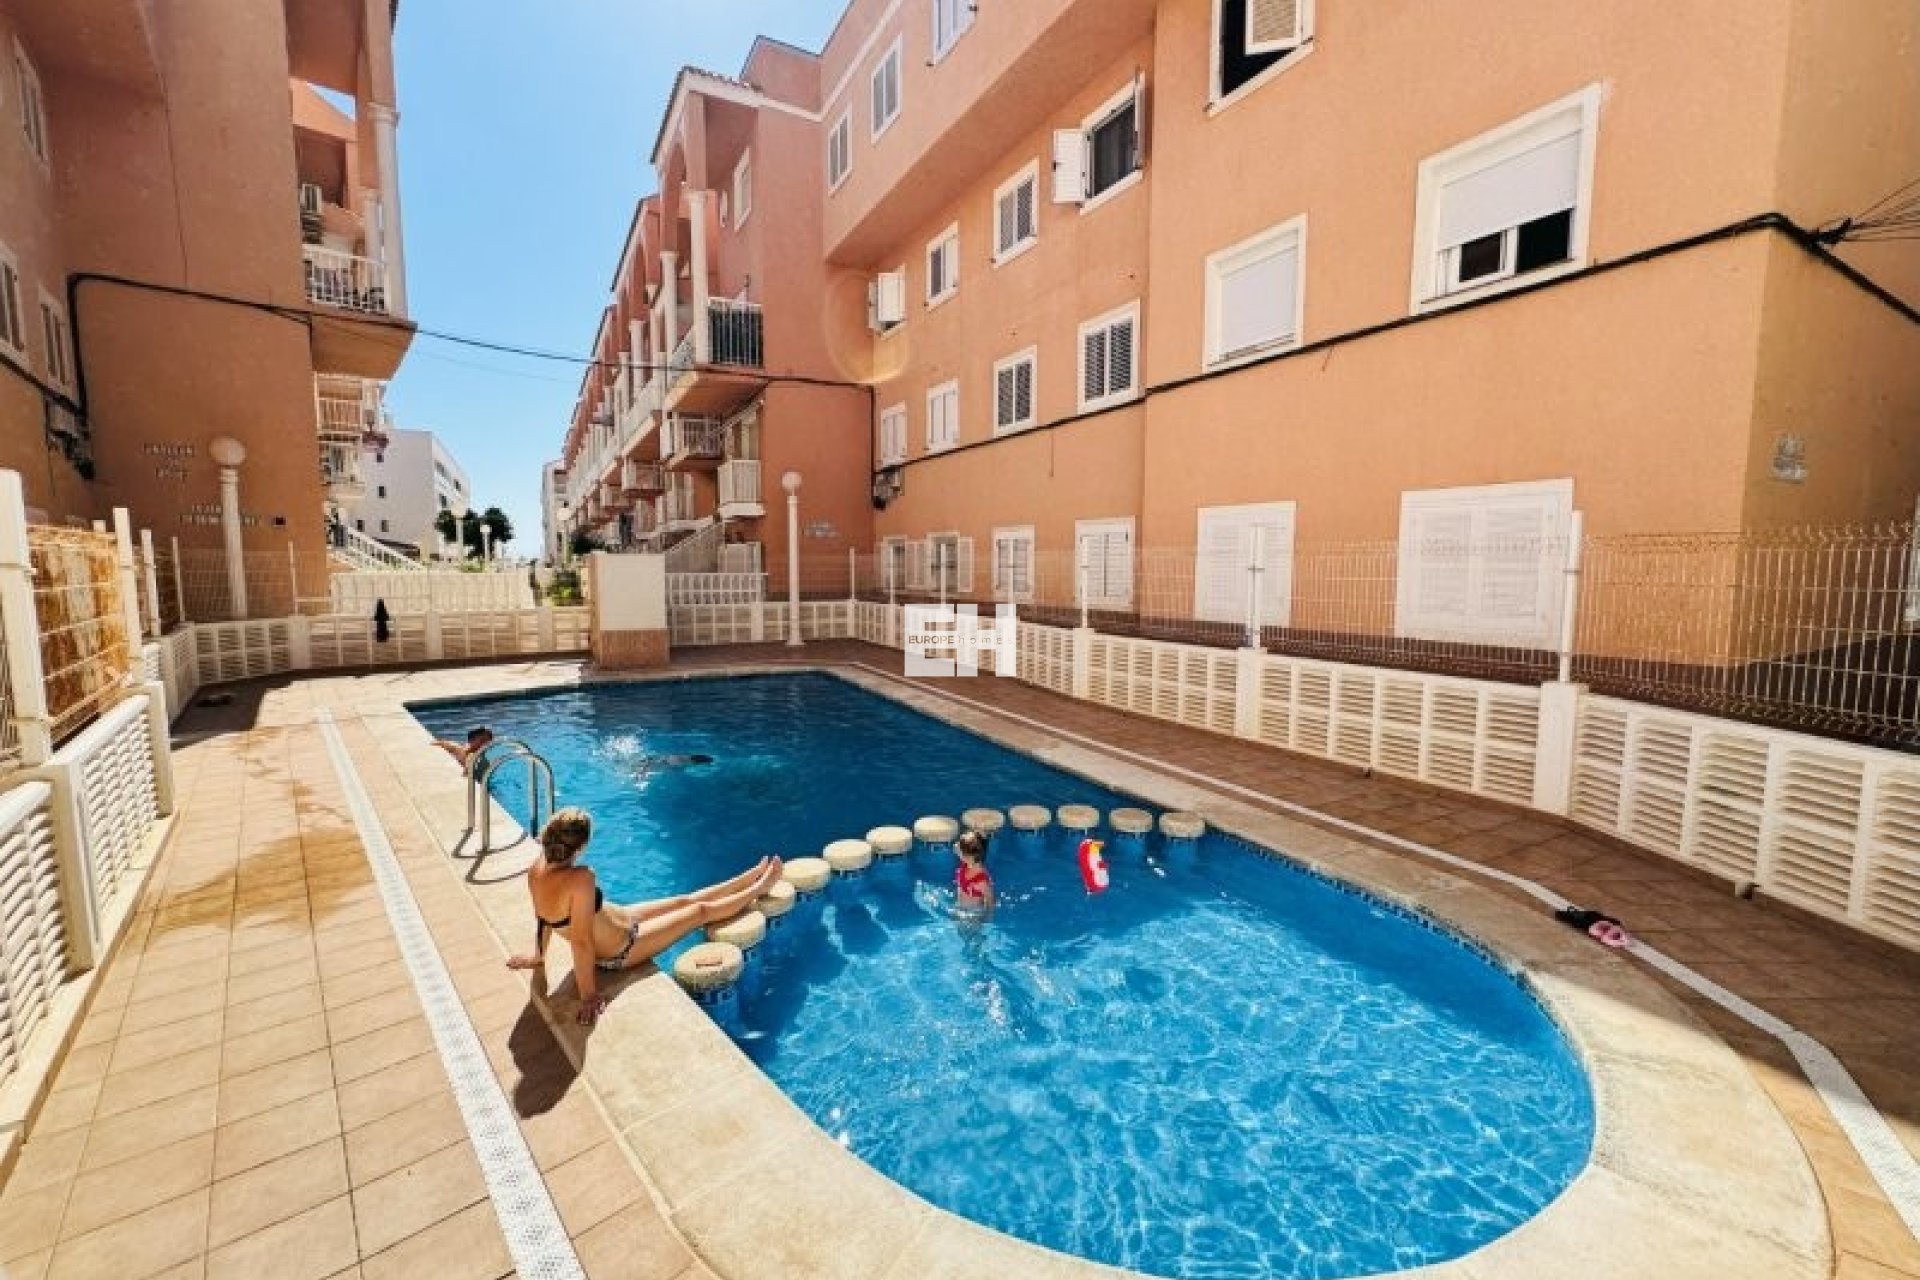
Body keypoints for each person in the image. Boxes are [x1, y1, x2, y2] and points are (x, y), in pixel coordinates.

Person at [507, 808, 783, 1025]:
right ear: (580, 847)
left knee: (685, 900)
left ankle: (748, 877)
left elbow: (543, 917)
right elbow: (580, 942)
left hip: (623, 916)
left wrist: (539, 956)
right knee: (699, 912)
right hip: (622, 948)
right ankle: (758, 888)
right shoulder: (581, 877)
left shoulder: (536, 868)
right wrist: (588, 995)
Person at [954, 830, 996, 915]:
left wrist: (987, 917)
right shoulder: (966, 864)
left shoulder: (981, 882)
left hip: (973, 915)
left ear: (970, 857)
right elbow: (956, 847)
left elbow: (990, 901)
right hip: (959, 908)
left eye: (961, 852)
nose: (958, 851)